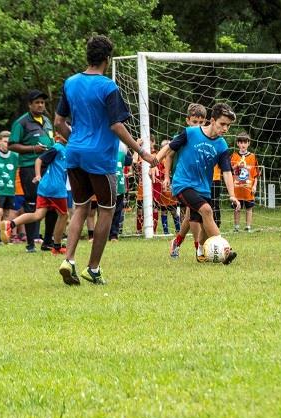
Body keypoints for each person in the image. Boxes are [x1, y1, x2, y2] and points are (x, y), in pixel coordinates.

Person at [55, 34, 157, 285]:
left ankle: (68, 259)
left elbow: (58, 122)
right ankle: (93, 268)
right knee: (107, 210)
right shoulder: (108, 87)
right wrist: (141, 151)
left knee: (80, 206)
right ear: (107, 59)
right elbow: (116, 126)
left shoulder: (70, 82)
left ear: (88, 56)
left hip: (74, 153)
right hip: (100, 158)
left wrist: (75, 140)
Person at [156, 102, 239, 264]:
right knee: (206, 211)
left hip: (204, 188)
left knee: (202, 221)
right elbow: (169, 150)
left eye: (228, 126)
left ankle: (200, 248)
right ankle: (225, 251)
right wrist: (155, 160)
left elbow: (227, 171)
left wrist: (232, 195)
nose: (225, 129)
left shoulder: (222, 145)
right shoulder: (190, 133)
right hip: (183, 183)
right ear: (212, 120)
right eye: (222, 124)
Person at [2, 137, 69, 256]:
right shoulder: (57, 148)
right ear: (59, 134)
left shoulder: (65, 148)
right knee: (63, 215)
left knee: (38, 215)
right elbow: (39, 159)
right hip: (55, 188)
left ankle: (10, 224)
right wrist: (37, 175)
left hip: (45, 187)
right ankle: (57, 246)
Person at [9, 89, 57, 253]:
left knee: (53, 203)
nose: (40, 105)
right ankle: (30, 243)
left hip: (49, 167)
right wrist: (33, 148)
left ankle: (48, 242)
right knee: (33, 203)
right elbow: (12, 145)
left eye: (42, 102)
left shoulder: (47, 121)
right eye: (37, 102)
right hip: (29, 167)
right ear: (30, 104)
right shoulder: (21, 123)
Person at [167, 103, 207, 258]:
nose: (197, 125)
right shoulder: (183, 136)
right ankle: (199, 249)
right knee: (194, 213)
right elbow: (169, 155)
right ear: (187, 121)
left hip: (198, 180)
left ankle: (177, 242)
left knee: (191, 214)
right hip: (183, 181)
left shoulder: (204, 139)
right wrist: (166, 177)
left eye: (201, 122)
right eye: (194, 122)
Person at [231, 131, 260, 232]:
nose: (243, 144)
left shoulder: (252, 157)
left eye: (245, 142)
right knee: (237, 208)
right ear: (238, 143)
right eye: (241, 142)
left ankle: (248, 227)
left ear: (248, 143)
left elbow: (255, 174)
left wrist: (254, 186)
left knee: (249, 208)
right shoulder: (234, 156)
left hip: (248, 189)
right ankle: (236, 227)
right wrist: (237, 165)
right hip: (237, 189)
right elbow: (230, 171)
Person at [157, 139, 181, 235]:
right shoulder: (159, 160)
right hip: (163, 189)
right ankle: (166, 232)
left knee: (174, 210)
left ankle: (178, 230)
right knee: (163, 211)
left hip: (172, 188)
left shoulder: (174, 158)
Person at [109, 142, 132, 241]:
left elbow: (130, 161)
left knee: (118, 211)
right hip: (108, 186)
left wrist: (128, 149)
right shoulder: (106, 153)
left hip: (120, 186)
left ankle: (114, 234)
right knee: (107, 211)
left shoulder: (122, 154)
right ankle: (106, 233)